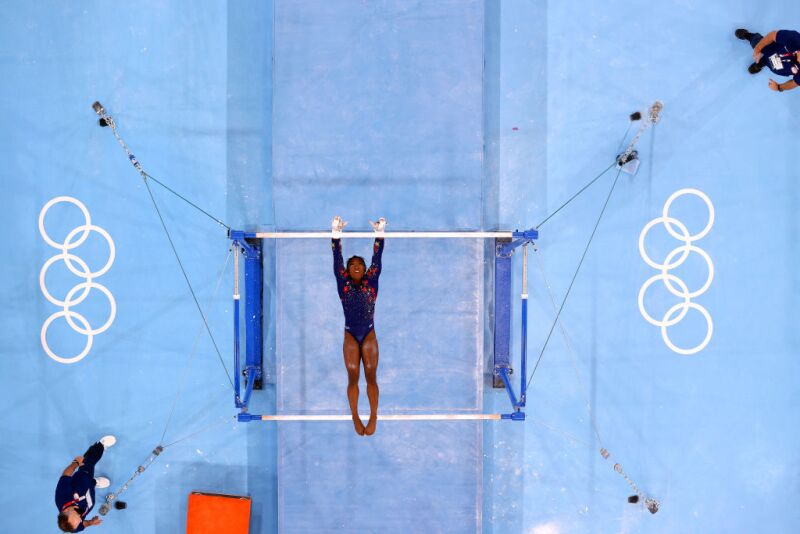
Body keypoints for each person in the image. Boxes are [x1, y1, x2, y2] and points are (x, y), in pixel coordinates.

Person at [331, 216, 386, 436]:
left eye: (360, 265)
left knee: (371, 375)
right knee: (353, 375)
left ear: (365, 270)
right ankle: (355, 416)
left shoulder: (371, 280)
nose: (355, 266)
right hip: (351, 335)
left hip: (369, 333)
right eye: (351, 264)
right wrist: (336, 233)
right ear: (346, 270)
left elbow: (378, 257)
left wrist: (379, 233)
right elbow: (336, 258)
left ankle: (373, 416)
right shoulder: (342, 282)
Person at [55, 436, 117, 532]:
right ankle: (94, 482)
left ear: (66, 511)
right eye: (80, 519)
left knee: (89, 460)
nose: (80, 517)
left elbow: (65, 475)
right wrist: (91, 523)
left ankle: (100, 445)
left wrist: (75, 463)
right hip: (88, 491)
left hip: (82, 477)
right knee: (91, 484)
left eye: (77, 515)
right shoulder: (74, 526)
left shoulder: (61, 497)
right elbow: (83, 524)